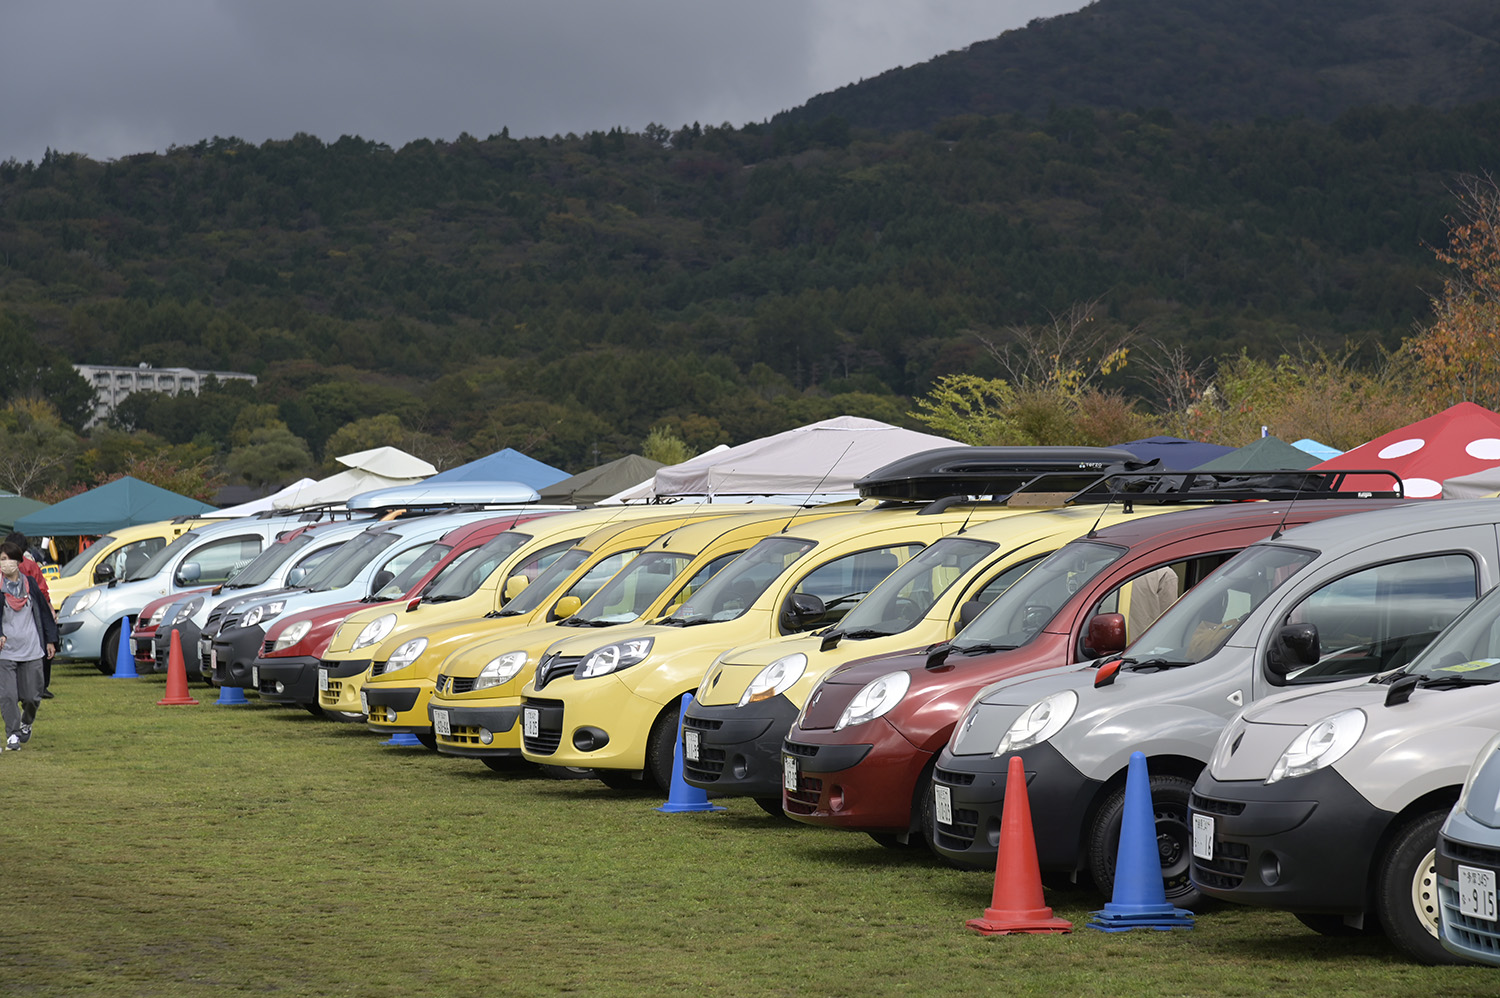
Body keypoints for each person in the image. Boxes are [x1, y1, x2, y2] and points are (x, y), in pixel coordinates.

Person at [0, 540, 57, 751]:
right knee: (7, 696)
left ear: (18, 561)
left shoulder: (30, 584)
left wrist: (50, 640)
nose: (5, 564)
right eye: (1, 560)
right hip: (5, 652)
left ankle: (26, 722)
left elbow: (43, 612)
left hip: (32, 648)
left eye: (8, 559)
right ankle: (13, 735)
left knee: (33, 696)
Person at [5, 532, 54, 698]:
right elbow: (42, 590)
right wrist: (49, 606)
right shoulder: (31, 565)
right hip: (32, 614)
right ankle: (40, 687)